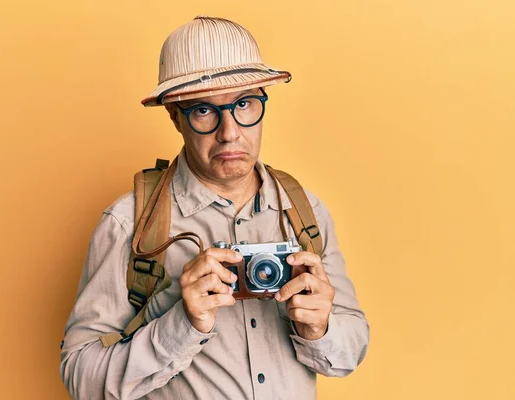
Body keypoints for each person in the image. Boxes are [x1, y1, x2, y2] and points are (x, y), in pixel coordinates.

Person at [60, 15, 369, 400]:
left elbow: (352, 347)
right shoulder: (128, 224)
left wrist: (319, 330)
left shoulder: (304, 212)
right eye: (204, 110)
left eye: (244, 104)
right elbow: (81, 378)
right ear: (175, 116)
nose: (230, 132)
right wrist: (184, 322)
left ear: (262, 103)